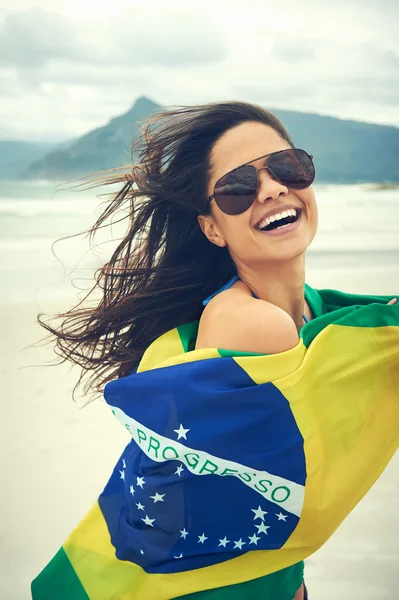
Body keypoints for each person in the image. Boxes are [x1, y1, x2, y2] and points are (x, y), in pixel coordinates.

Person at [37, 101, 397, 600]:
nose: (272, 188)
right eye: (237, 189)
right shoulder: (254, 325)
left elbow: (271, 490)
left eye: (287, 167)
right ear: (211, 227)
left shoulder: (311, 311)